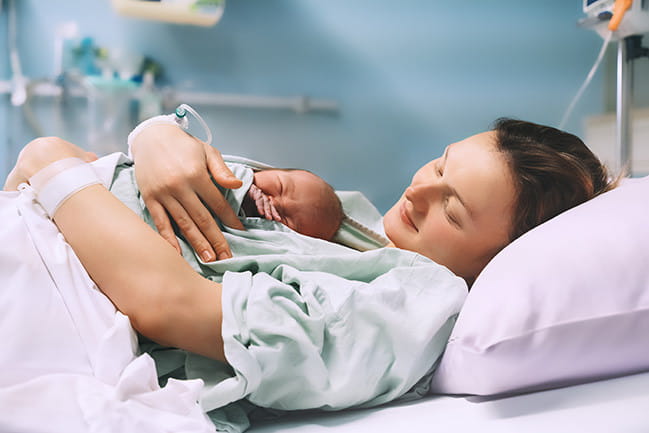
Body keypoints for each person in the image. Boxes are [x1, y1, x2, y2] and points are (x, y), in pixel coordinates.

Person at [3, 117, 618, 432]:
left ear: (498, 260)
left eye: (451, 211)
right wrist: (157, 135)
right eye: (439, 164)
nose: (419, 189)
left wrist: (49, 160)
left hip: (63, 284)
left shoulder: (409, 312)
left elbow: (169, 302)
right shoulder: (364, 227)